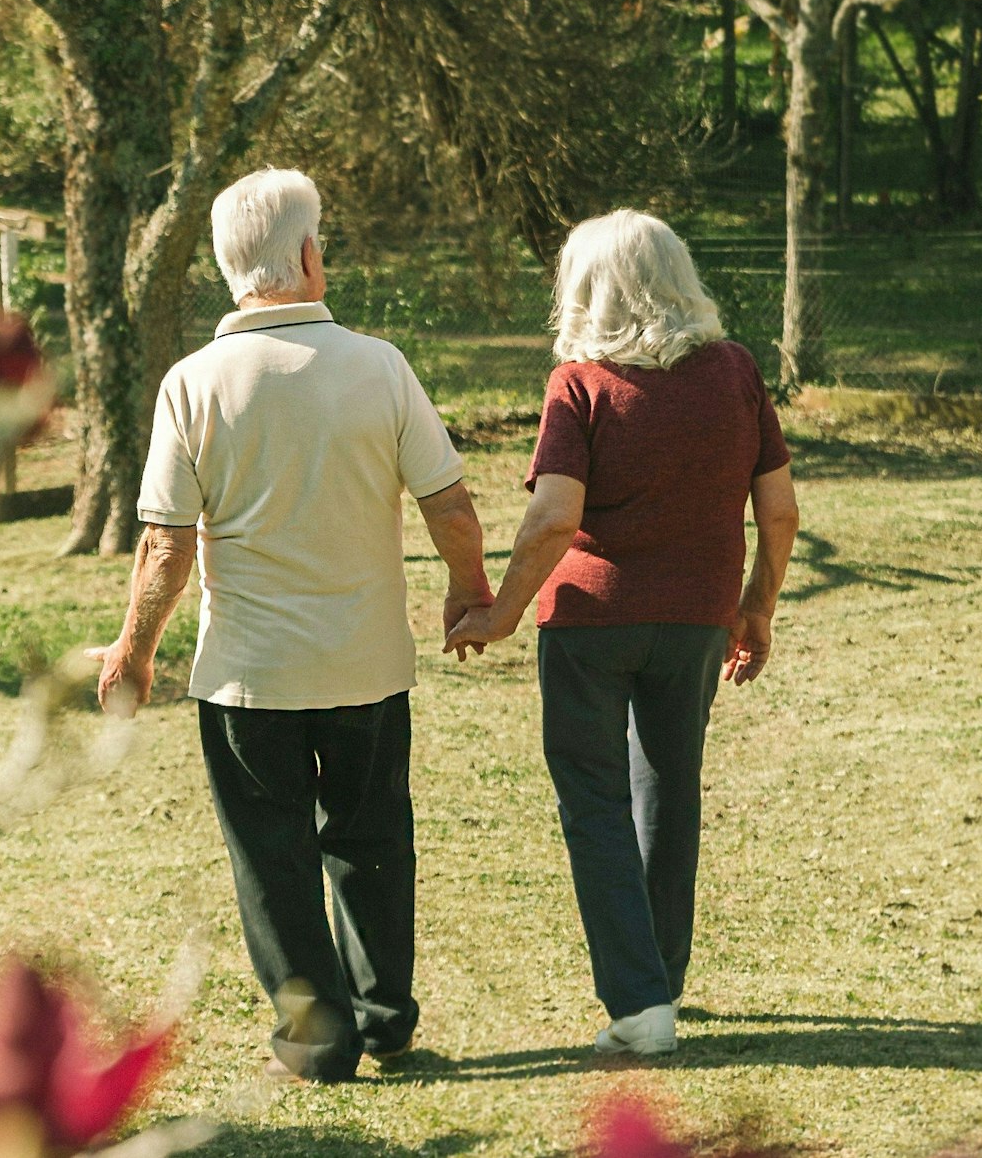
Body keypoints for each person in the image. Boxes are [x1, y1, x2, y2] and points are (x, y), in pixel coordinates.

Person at [91, 168, 491, 1082]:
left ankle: (316, 1040)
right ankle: (386, 1018)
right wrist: (470, 593)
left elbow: (165, 546)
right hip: (367, 663)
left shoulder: (191, 384)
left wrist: (135, 652)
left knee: (273, 857)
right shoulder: (380, 365)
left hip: (248, 676)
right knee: (374, 837)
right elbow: (453, 506)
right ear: (307, 256)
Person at [445, 209, 800, 1057]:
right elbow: (779, 509)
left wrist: (497, 614)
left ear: (586, 288)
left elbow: (551, 520)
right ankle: (659, 980)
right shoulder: (737, 372)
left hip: (591, 625)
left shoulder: (581, 383)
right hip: (696, 619)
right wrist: (757, 605)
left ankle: (641, 1008)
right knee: (669, 791)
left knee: (595, 800)